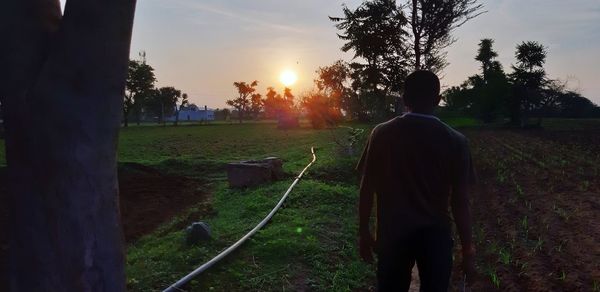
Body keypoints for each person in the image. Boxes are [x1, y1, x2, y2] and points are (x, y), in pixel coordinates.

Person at [357, 70, 476, 291]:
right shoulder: (456, 141)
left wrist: (364, 231)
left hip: (393, 236)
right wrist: (468, 248)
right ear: (438, 100)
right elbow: (460, 201)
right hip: (435, 239)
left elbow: (367, 188)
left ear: (404, 99)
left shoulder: (381, 134)